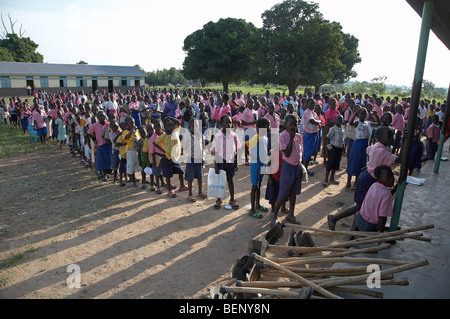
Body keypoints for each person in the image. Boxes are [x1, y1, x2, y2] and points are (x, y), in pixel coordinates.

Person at [328, 125, 403, 231]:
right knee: (360, 206)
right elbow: (400, 159)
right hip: (369, 179)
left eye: (393, 136)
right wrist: (404, 142)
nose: (393, 138)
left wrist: (371, 164)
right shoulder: (383, 152)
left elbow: (368, 150)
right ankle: (335, 218)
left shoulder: (377, 146)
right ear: (380, 138)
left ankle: (353, 230)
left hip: (367, 174)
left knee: (363, 206)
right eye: (390, 136)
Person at [270, 114, 303, 228]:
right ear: (285, 125)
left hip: (297, 167)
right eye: (291, 124)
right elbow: (287, 153)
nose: (294, 126)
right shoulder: (283, 136)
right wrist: (291, 138)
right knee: (283, 193)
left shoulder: (299, 136)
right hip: (287, 167)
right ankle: (274, 216)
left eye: (296, 124)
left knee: (294, 193)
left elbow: (299, 152)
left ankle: (291, 214)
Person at [352, 165, 395, 233]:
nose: (391, 179)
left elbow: (382, 197)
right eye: (387, 177)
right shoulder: (386, 194)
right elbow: (383, 217)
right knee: (376, 226)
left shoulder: (374, 185)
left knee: (360, 212)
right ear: (378, 179)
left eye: (392, 176)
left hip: (358, 218)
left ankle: (351, 236)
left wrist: (394, 189)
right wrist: (381, 233)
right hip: (369, 226)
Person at [211, 115, 241, 210]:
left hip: (230, 161)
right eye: (227, 122)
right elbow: (215, 151)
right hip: (220, 161)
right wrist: (216, 165)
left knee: (230, 180)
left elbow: (236, 150)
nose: (229, 124)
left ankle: (232, 199)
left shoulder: (234, 135)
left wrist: (236, 163)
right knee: (220, 180)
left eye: (230, 122)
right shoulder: (218, 136)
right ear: (221, 124)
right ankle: (218, 199)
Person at [153, 116, 188, 197]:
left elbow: (178, 123)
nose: (171, 127)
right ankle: (169, 190)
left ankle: (182, 186)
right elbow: (154, 143)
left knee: (180, 172)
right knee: (168, 175)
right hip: (167, 159)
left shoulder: (176, 133)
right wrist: (163, 151)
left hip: (175, 158)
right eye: (169, 125)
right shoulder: (163, 136)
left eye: (172, 125)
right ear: (164, 128)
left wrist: (169, 117)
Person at [246, 117, 271, 219]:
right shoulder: (256, 137)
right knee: (254, 186)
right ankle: (252, 209)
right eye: (267, 126)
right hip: (256, 164)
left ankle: (258, 204)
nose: (269, 128)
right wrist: (251, 157)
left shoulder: (266, 138)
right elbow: (246, 146)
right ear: (260, 127)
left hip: (262, 164)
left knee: (259, 185)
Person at [346, 106, 370, 190]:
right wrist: (355, 113)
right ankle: (348, 182)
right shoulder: (357, 123)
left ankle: (356, 182)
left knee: (361, 164)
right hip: (358, 144)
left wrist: (375, 116)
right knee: (353, 162)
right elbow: (350, 123)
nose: (363, 115)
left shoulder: (367, 124)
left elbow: (378, 124)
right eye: (361, 114)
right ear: (358, 115)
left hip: (365, 145)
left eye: (364, 114)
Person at [183, 118, 207, 202]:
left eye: (197, 126)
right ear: (190, 127)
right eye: (194, 126)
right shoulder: (187, 136)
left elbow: (203, 147)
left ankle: (200, 191)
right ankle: (190, 194)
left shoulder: (201, 136)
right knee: (190, 178)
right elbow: (185, 147)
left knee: (200, 177)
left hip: (199, 159)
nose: (196, 128)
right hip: (191, 159)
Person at [87, 110, 111, 182]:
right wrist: (93, 137)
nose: (102, 117)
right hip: (100, 144)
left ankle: (107, 173)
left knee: (108, 159)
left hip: (108, 144)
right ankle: (104, 174)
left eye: (103, 116)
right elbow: (88, 132)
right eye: (100, 116)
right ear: (97, 117)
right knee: (101, 160)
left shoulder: (108, 124)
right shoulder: (95, 125)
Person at [323, 114, 344, 187]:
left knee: (336, 164)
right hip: (333, 148)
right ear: (335, 121)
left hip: (339, 149)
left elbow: (342, 140)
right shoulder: (333, 129)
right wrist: (329, 148)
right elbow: (328, 138)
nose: (339, 121)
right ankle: (326, 179)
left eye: (341, 120)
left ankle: (332, 178)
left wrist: (342, 148)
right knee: (330, 164)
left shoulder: (342, 129)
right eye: (338, 120)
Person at [301, 98, 321, 176]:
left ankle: (305, 169)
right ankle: (304, 170)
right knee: (306, 153)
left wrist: (318, 123)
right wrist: (318, 122)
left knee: (309, 153)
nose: (312, 105)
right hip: (308, 135)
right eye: (311, 104)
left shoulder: (313, 113)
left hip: (313, 134)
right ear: (307, 104)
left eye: (313, 104)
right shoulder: (307, 112)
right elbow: (312, 121)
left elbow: (318, 121)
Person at [122, 116, 141, 187]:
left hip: (137, 151)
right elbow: (126, 137)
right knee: (131, 166)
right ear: (127, 124)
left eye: (134, 122)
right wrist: (131, 131)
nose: (133, 124)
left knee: (140, 165)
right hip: (130, 151)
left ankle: (144, 179)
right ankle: (133, 181)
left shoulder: (137, 131)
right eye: (131, 123)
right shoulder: (126, 132)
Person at [149, 119, 166, 194]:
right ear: (154, 128)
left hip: (164, 155)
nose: (158, 128)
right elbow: (152, 150)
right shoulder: (153, 137)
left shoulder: (164, 134)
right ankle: (158, 186)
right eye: (156, 127)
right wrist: (154, 160)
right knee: (157, 172)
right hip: (156, 156)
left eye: (159, 126)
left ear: (162, 126)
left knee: (163, 171)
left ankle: (164, 183)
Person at [114, 121, 129, 187]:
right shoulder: (122, 134)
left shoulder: (127, 133)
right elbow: (116, 143)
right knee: (122, 167)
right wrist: (124, 144)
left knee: (126, 166)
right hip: (123, 153)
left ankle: (126, 178)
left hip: (127, 152)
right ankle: (121, 180)